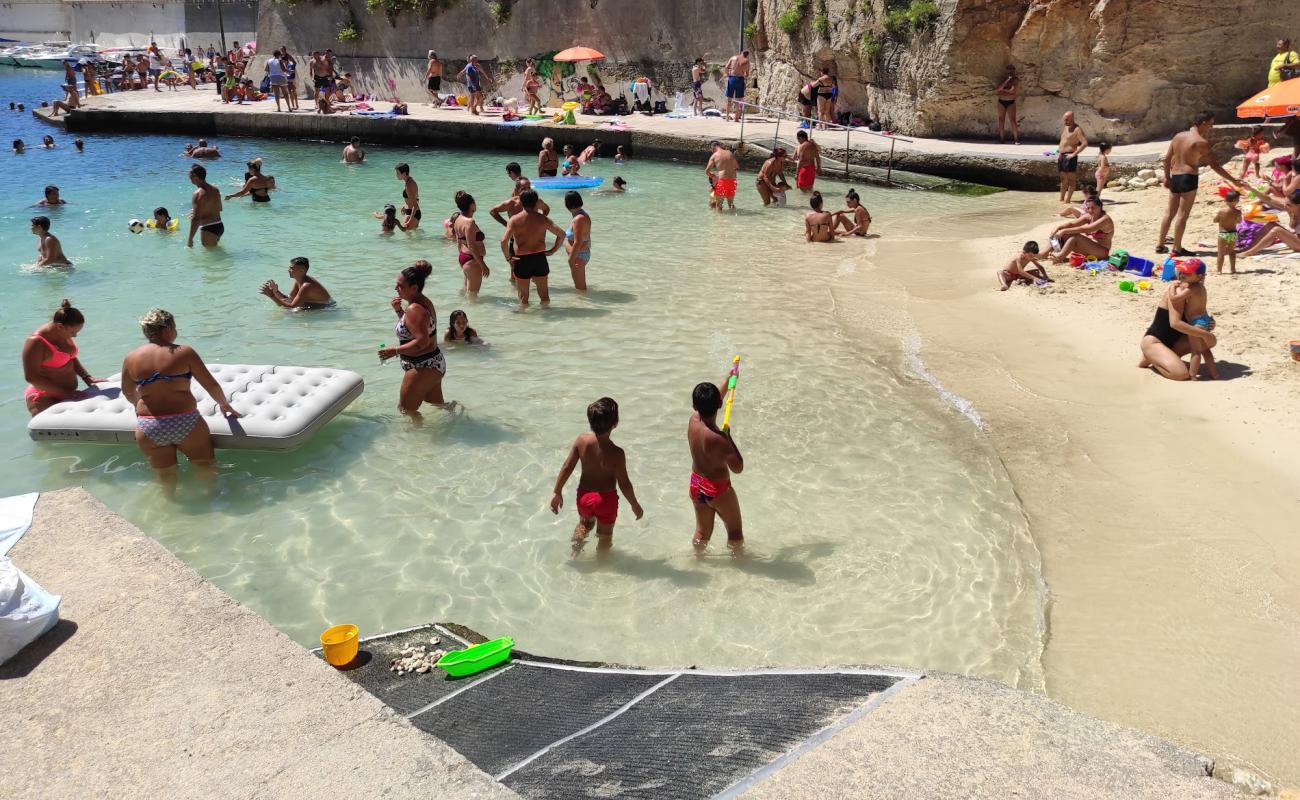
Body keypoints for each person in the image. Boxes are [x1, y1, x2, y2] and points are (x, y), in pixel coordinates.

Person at [121, 308, 239, 481]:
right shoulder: (184, 352)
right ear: (168, 329)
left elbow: (127, 391)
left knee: (165, 477)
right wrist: (224, 404)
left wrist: (138, 408)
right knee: (205, 467)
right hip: (185, 421)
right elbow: (211, 385)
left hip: (149, 426)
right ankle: (209, 501)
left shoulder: (131, 358)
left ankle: (167, 505)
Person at [550, 397, 645, 558]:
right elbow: (624, 483)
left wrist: (557, 491)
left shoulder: (582, 441)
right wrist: (634, 504)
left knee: (584, 524)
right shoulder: (617, 453)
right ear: (615, 423)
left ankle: (575, 552)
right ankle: (601, 563)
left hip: (584, 496)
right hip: (606, 500)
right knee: (605, 535)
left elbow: (567, 467)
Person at [1156, 111, 1241, 256]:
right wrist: (1233, 180)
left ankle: (1160, 244)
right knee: (1183, 214)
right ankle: (1176, 248)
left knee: (1169, 213)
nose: (1211, 127)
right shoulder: (1201, 142)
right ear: (1203, 123)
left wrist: (1167, 178)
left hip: (1175, 176)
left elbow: (1167, 159)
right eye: (1210, 124)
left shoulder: (1178, 136)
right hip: (1188, 177)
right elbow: (1214, 165)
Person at [378, 261, 451, 416]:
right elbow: (414, 329)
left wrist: (395, 350)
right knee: (438, 407)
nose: (396, 288)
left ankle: (416, 440)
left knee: (406, 411)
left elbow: (422, 341)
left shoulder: (414, 309)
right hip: (433, 364)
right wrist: (399, 312)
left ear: (414, 288)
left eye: (400, 286)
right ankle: (455, 426)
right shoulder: (422, 302)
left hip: (422, 366)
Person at [687, 377, 744, 549]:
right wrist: (728, 437)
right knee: (735, 533)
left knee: (702, 533)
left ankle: (697, 560)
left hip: (696, 484)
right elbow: (738, 467)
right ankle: (739, 567)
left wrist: (729, 379)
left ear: (695, 406)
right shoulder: (719, 439)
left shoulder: (693, 421)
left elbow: (712, 400)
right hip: (718, 490)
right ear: (720, 405)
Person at [1138, 259, 1217, 381]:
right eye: (1182, 271)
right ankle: (1154, 358)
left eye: (1187, 273)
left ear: (1199, 276)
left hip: (1175, 341)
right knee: (1181, 374)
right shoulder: (1178, 291)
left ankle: (1156, 357)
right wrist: (1206, 334)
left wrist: (1210, 323)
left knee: (1208, 342)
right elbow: (1175, 323)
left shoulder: (1198, 290)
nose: (1182, 274)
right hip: (1155, 340)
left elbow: (1200, 315)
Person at [22, 299, 103, 415]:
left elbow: (71, 358)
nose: (75, 336)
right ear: (60, 326)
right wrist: (64, 394)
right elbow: (31, 377)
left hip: (67, 393)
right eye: (73, 333)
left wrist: (87, 377)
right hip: (43, 398)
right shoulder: (36, 342)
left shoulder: (61, 332)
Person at [501, 189, 565, 308]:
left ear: (522, 203)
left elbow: (504, 241)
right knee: (544, 296)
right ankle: (547, 320)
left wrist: (508, 258)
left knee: (523, 297)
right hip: (539, 258)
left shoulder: (514, 220)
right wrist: (553, 250)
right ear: (536, 202)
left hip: (522, 260)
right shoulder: (543, 219)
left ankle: (524, 322)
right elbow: (562, 234)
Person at [1051, 196, 1113, 262]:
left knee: (1075, 237)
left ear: (1100, 207)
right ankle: (1044, 254)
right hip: (1089, 248)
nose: (1090, 210)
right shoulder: (1089, 216)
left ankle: (1059, 257)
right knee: (1060, 234)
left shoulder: (1105, 219)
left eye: (1093, 208)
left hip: (1102, 251)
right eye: (1088, 208)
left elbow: (1087, 229)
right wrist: (1058, 228)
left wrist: (1064, 231)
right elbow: (1072, 224)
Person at [452, 191, 490, 297]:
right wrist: (483, 265)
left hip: (464, 257)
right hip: (473, 260)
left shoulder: (458, 219)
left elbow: (458, 240)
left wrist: (462, 257)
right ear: (472, 204)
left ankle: (461, 307)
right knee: (473, 295)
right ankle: (473, 313)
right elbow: (471, 245)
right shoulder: (469, 222)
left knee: (466, 290)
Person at [260, 256, 333, 309]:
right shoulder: (299, 281)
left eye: (291, 268)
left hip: (326, 308)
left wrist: (271, 295)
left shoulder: (306, 286)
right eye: (289, 268)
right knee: (291, 311)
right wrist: (275, 291)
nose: (288, 270)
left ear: (301, 270)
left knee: (291, 313)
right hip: (313, 305)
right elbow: (289, 299)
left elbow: (291, 307)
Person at [187, 163, 224, 248]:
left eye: (189, 175)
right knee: (215, 255)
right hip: (219, 226)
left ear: (195, 176)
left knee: (210, 260)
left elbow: (195, 219)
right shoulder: (215, 189)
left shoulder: (197, 194)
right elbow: (220, 208)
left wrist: (190, 239)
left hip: (209, 229)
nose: (189, 177)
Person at [1057, 112, 1088, 204]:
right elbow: (1064, 140)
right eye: (1064, 119)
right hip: (1061, 156)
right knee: (1063, 180)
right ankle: (1061, 200)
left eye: (1067, 120)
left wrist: (1074, 154)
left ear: (1072, 118)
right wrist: (1058, 150)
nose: (1065, 121)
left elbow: (1085, 143)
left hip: (1070, 157)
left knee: (1071, 181)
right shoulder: (1066, 127)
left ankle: (1067, 201)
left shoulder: (1077, 129)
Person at [564, 191, 592, 291]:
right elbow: (586, 236)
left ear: (567, 204)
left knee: (580, 289)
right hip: (579, 254)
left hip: (578, 257)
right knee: (579, 288)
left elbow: (578, 242)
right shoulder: (581, 214)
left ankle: (583, 304)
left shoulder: (578, 219)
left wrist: (571, 259)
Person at [705, 141, 739, 210]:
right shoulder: (729, 153)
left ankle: (719, 220)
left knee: (719, 205)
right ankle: (734, 219)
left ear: (713, 147)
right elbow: (737, 167)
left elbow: (707, 171)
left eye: (711, 150)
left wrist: (712, 176)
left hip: (723, 181)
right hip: (733, 181)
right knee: (731, 204)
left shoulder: (714, 155)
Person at [1214, 191, 1242, 274]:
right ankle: (1233, 269)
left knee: (1221, 253)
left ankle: (1219, 270)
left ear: (1225, 200)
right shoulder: (1238, 212)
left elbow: (1215, 220)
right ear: (1237, 201)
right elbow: (1239, 221)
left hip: (1223, 234)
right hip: (1233, 233)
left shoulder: (1221, 211)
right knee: (1232, 252)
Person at [995, 64, 1020, 144]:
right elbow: (998, 89)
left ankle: (1016, 139)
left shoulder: (1015, 80)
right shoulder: (1002, 79)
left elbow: (1012, 91)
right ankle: (1001, 139)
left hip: (1011, 102)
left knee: (1013, 120)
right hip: (1001, 101)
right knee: (1001, 120)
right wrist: (1007, 81)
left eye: (1012, 69)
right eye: (1008, 69)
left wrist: (1003, 89)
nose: (1010, 71)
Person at [722, 49, 750, 122]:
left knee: (729, 99)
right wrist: (743, 73)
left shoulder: (733, 58)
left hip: (732, 79)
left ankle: (727, 117)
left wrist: (726, 73)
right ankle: (736, 118)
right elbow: (747, 74)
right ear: (747, 55)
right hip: (740, 80)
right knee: (739, 100)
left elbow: (726, 67)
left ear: (741, 53)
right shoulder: (746, 61)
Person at [395, 162, 421, 229]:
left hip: (411, 214)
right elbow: (416, 198)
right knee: (412, 235)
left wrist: (409, 221)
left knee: (405, 232)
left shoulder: (409, 185)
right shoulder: (409, 181)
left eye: (398, 173)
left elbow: (415, 206)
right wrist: (405, 205)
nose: (396, 175)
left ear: (403, 173)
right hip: (413, 213)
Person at [795, 129, 821, 194]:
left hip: (804, 170)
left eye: (797, 139)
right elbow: (818, 158)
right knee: (810, 189)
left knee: (803, 191)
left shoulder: (802, 146)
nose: (798, 141)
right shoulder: (812, 145)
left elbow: (800, 161)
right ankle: (813, 202)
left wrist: (796, 174)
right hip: (812, 169)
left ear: (800, 138)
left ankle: (804, 203)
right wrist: (819, 168)